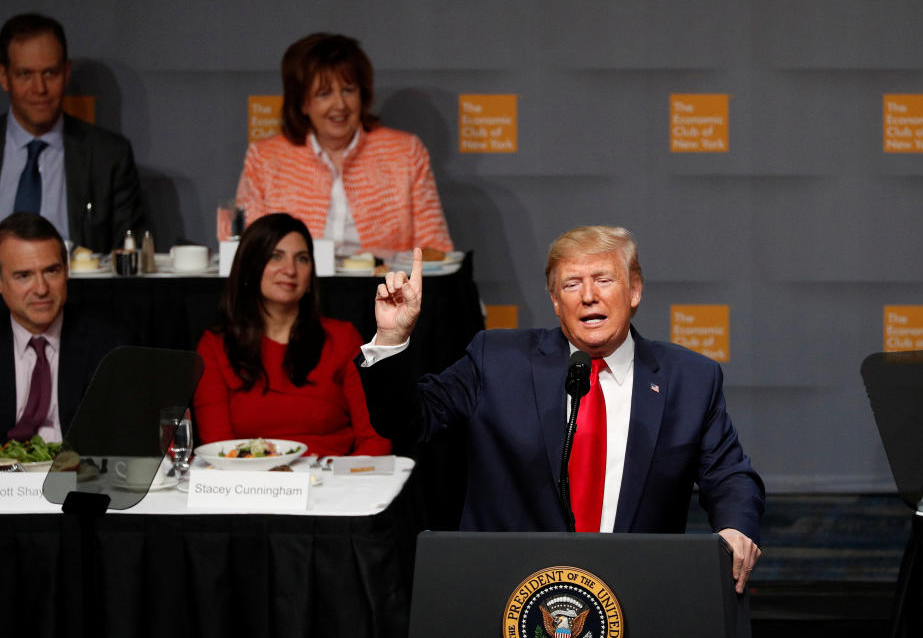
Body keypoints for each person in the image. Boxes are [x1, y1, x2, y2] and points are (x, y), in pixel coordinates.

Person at [357, 226, 764, 594]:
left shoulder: (689, 379)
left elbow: (729, 475)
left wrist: (735, 528)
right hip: (508, 592)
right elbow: (409, 421)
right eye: (572, 284)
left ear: (635, 290)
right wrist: (391, 339)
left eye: (604, 280)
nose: (589, 296)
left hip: (634, 592)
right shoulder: (497, 360)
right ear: (554, 300)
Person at [235, 33, 453, 255]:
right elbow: (247, 251)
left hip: (385, 286)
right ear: (302, 102)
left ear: (363, 94)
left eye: (348, 90)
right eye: (324, 94)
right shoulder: (265, 158)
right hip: (296, 287)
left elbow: (435, 247)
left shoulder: (406, 152)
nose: (339, 105)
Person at [193, 213, 391, 456]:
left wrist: (353, 487)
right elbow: (219, 448)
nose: (290, 270)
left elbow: (375, 437)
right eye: (276, 256)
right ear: (250, 267)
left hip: (333, 484)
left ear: (311, 276)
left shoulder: (343, 339)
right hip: (249, 486)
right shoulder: (214, 347)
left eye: (302, 259)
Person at [0, 13, 143, 253]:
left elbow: (128, 258)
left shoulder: (108, 157)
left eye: (50, 73)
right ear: (4, 78)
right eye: (26, 74)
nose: (39, 88)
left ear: (66, 73)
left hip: (78, 290)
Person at [0, 212, 133, 441]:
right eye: (24, 276)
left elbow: (124, 437)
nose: (41, 289)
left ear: (67, 272)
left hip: (75, 474)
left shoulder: (108, 342)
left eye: (52, 271)